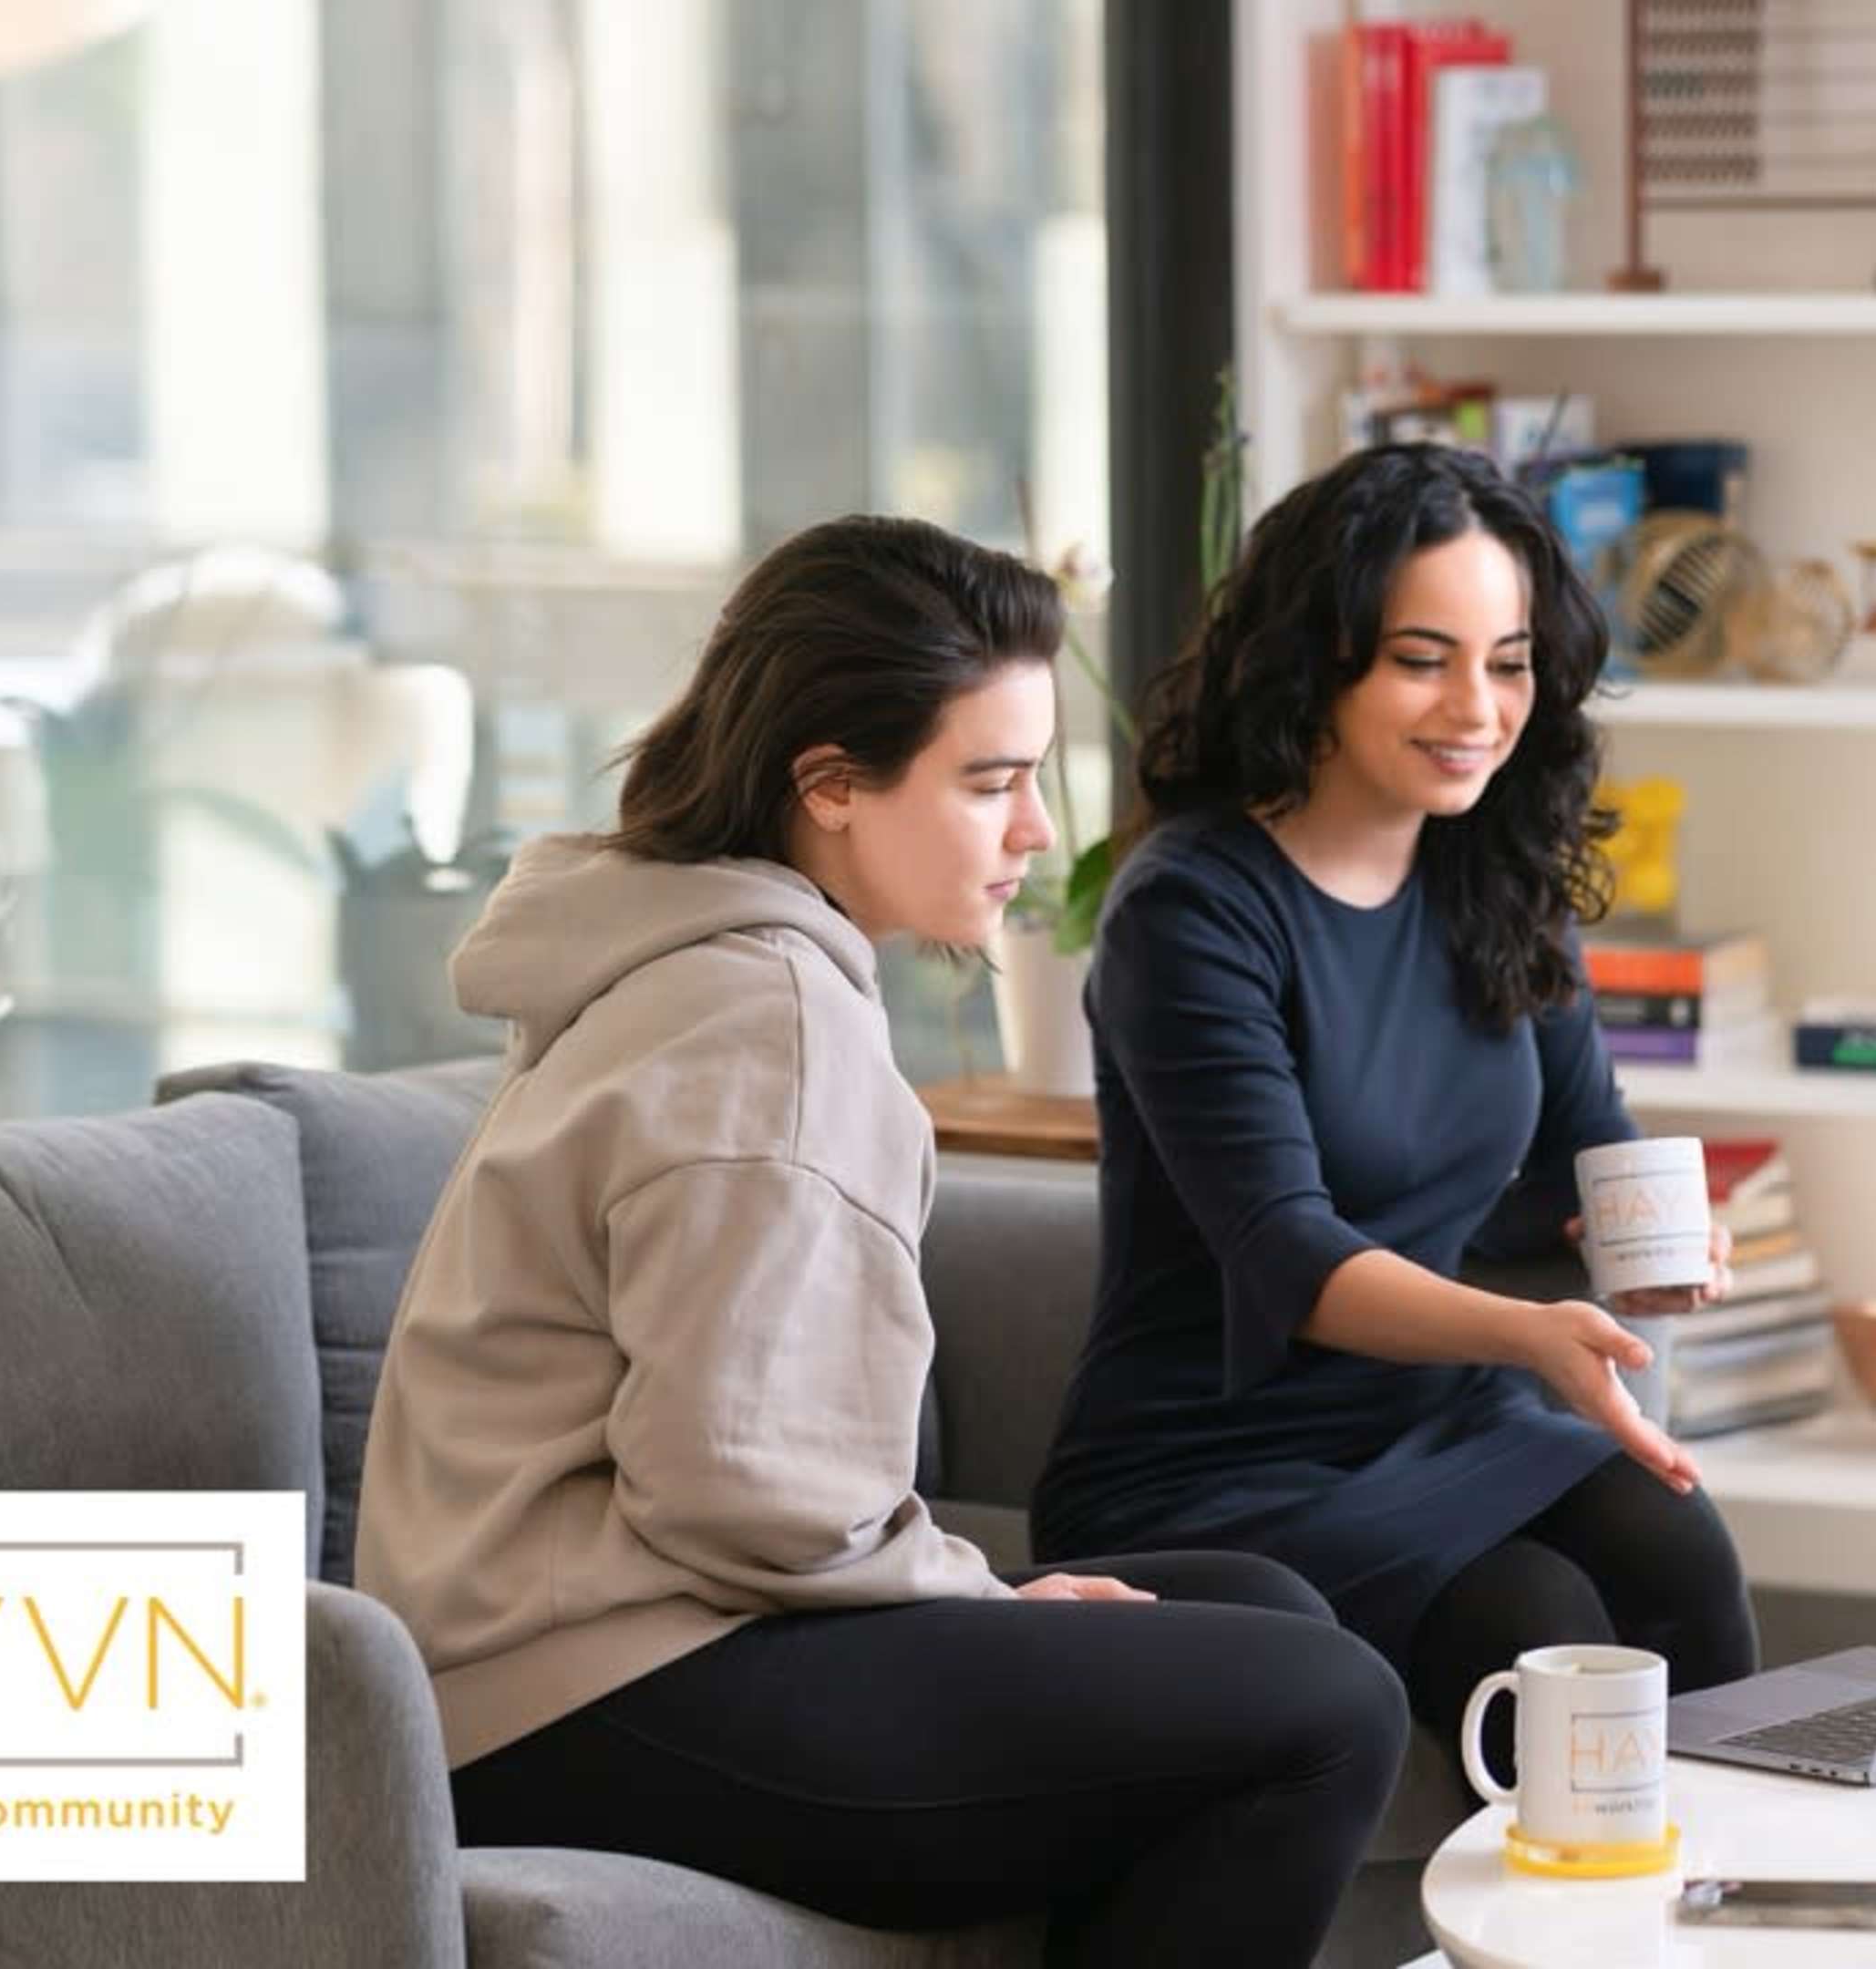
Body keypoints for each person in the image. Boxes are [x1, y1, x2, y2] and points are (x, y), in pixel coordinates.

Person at [356, 515, 1407, 1968]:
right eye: (991, 782)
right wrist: (981, 1597)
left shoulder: (702, 960)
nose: (1037, 831)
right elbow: (737, 1484)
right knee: (1326, 1710)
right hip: (585, 1691)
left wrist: (993, 1609)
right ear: (832, 785)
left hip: (585, 1649)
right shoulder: (764, 1015)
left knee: (1261, 1606)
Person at [1031, 443, 1762, 1772]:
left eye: (1509, 660)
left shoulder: (1497, 872)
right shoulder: (1193, 910)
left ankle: (1737, 1914)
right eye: (1423, 659)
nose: (1477, 708)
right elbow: (1289, 1259)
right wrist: (1530, 1335)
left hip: (1438, 1409)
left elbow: (1586, 1144)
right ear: (1320, 661)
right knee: (1539, 1623)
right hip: (1214, 1463)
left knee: (1673, 1542)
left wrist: (1654, 1247)